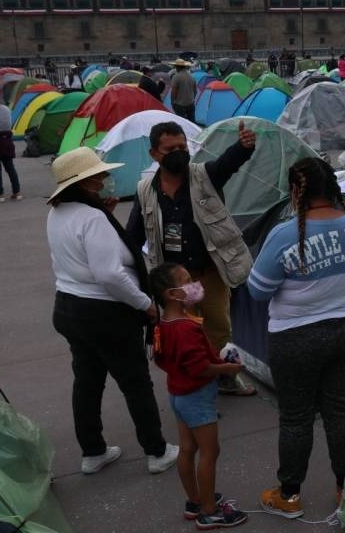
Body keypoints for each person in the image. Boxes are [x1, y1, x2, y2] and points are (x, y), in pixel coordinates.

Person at [249, 157, 345, 519]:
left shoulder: (285, 234)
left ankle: (288, 496)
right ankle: (344, 491)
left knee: (296, 418)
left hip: (295, 336)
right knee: (340, 410)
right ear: (332, 188)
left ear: (294, 192)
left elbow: (257, 290)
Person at [46, 148, 180, 477]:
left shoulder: (59, 212)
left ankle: (93, 451)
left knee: (88, 382)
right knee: (135, 382)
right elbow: (110, 275)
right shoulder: (92, 218)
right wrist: (145, 304)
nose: (105, 179)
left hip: (68, 307)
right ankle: (157, 451)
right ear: (86, 182)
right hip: (103, 313)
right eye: (99, 175)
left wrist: (104, 217)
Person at [126, 121, 258, 396]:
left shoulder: (204, 176)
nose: (178, 152)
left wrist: (244, 147)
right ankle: (194, 383)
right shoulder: (144, 191)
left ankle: (226, 379)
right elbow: (133, 237)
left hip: (210, 273)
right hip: (176, 283)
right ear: (154, 154)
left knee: (219, 329)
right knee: (184, 333)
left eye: (182, 147)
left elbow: (226, 164)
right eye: (169, 149)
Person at [149, 263, 249, 530]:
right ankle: (209, 511)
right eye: (187, 280)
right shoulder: (186, 329)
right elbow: (200, 368)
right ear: (172, 293)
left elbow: (161, 358)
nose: (194, 284)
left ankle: (195, 500)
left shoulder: (164, 324)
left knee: (187, 449)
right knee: (209, 451)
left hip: (178, 393)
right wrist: (228, 368)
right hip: (196, 397)